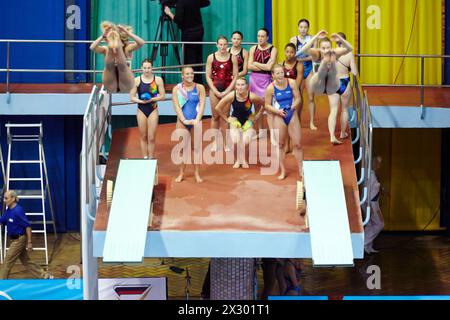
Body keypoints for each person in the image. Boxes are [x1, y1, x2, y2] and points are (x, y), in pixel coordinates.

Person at [0, 190, 53, 279]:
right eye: (3, 198)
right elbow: (2, 220)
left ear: (13, 199)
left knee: (7, 261)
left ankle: (2, 283)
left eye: (6, 198)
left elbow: (28, 227)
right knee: (26, 261)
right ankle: (45, 276)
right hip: (13, 239)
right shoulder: (8, 210)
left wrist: (29, 242)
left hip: (19, 240)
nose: (4, 200)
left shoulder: (18, 211)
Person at [264, 64, 303, 180]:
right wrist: (277, 111)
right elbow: (266, 105)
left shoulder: (291, 83)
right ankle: (283, 170)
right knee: (280, 145)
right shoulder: (270, 88)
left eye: (282, 72)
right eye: (277, 73)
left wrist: (292, 108)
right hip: (279, 116)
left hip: (291, 114)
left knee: (298, 144)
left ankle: (301, 169)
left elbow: (298, 99)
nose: (280, 75)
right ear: (273, 75)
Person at [215, 77, 264, 168]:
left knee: (246, 141)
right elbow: (218, 108)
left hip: (248, 120)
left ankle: (244, 160)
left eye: (242, 85)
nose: (240, 87)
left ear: (247, 86)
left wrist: (257, 116)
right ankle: (237, 160)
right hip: (235, 120)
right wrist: (227, 119)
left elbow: (264, 103)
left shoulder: (252, 96)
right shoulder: (232, 95)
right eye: (238, 85)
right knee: (235, 140)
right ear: (235, 87)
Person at [172, 66, 206, 183]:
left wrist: (197, 119)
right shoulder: (177, 89)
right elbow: (176, 106)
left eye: (191, 73)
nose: (190, 76)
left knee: (196, 149)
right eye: (187, 74)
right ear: (182, 76)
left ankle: (196, 173)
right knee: (182, 149)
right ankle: (181, 173)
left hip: (196, 121)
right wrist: (184, 120)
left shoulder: (200, 88)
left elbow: (202, 105)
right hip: (182, 122)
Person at [90, 21, 145, 93]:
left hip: (125, 79)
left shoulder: (127, 48)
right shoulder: (106, 49)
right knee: (111, 67)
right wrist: (103, 36)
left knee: (120, 68)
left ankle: (116, 48)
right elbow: (92, 47)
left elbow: (141, 42)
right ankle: (113, 47)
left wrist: (128, 33)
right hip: (116, 80)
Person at [164, 0, 211, 84]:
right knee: (198, 57)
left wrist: (169, 13)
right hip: (199, 30)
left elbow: (178, 20)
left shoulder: (180, 2)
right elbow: (206, 2)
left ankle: (191, 83)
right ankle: (199, 82)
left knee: (189, 59)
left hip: (189, 33)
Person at [205, 36, 238, 152]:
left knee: (225, 117)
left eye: (225, 44)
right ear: (217, 44)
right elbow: (208, 77)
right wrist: (214, 90)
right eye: (220, 44)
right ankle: (214, 142)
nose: (223, 47)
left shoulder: (233, 58)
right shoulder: (211, 57)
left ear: (227, 45)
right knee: (215, 117)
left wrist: (227, 91)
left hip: (227, 89)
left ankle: (225, 143)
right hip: (215, 89)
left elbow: (235, 77)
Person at [130, 59, 166, 159]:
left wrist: (153, 99)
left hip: (153, 109)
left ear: (152, 68)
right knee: (143, 136)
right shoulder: (137, 80)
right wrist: (141, 101)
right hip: (141, 109)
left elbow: (163, 96)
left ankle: (151, 159)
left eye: (149, 68)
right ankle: (145, 157)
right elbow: (132, 97)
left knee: (151, 137)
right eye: (145, 68)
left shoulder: (157, 80)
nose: (147, 70)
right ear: (142, 68)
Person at [299, 30, 353, 96]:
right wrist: (316, 37)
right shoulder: (317, 53)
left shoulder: (333, 53)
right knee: (325, 65)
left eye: (328, 48)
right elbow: (303, 50)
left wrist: (340, 38)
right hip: (318, 84)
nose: (326, 50)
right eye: (323, 48)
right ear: (319, 48)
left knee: (332, 59)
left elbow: (350, 48)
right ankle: (325, 64)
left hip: (331, 85)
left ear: (331, 47)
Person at [326, 32, 358, 144]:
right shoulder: (349, 54)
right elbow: (354, 72)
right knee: (344, 109)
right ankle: (342, 133)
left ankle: (331, 136)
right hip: (344, 82)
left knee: (333, 110)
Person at [248, 28, 278, 137]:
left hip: (266, 79)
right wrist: (263, 66)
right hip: (254, 80)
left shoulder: (273, 49)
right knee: (256, 107)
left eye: (262, 36)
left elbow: (270, 67)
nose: (260, 38)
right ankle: (261, 132)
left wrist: (256, 63)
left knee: (267, 107)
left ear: (267, 37)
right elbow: (248, 66)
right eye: (258, 36)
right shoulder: (253, 48)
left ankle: (274, 132)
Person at [290, 19, 317, 130]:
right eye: (301, 27)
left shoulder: (312, 39)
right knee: (298, 97)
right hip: (298, 69)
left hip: (309, 69)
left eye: (305, 27)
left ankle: (311, 122)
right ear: (298, 27)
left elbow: (315, 56)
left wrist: (303, 58)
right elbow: (291, 54)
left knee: (311, 97)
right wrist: (304, 57)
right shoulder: (293, 39)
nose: (303, 29)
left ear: (308, 28)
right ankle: (298, 120)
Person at [283, 43, 304, 154]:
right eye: (287, 51)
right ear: (284, 52)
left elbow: (297, 83)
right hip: (284, 97)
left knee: (295, 122)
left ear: (295, 53)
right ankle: (287, 145)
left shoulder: (299, 65)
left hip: (296, 96)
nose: (289, 54)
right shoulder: (281, 64)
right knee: (285, 121)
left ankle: (296, 145)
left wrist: (289, 94)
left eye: (292, 52)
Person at [365, 156, 385, 254]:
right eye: (378, 163)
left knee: (370, 224)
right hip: (371, 203)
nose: (379, 165)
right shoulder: (371, 175)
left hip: (373, 203)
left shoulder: (373, 175)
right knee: (379, 224)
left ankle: (368, 247)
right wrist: (369, 207)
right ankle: (365, 242)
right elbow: (367, 192)